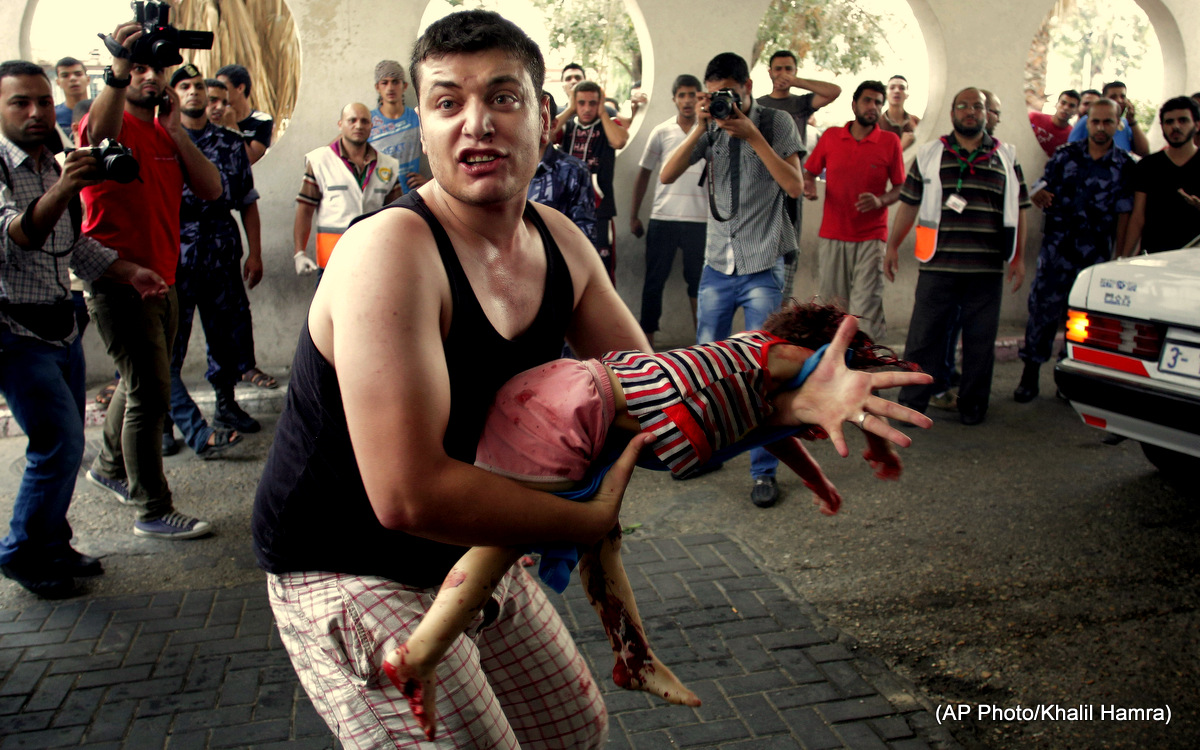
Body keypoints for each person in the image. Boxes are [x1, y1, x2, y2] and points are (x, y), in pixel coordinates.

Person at [252, 10, 930, 747]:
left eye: (502, 98)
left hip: (474, 542)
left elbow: (653, 397)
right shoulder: (390, 250)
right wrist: (587, 521)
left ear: (542, 118)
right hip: (348, 563)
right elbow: (408, 494)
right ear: (423, 125)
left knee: (572, 730)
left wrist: (791, 402)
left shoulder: (560, 240)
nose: (475, 123)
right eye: (448, 102)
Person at [381, 301, 929, 740]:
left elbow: (778, 431)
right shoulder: (779, 357)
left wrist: (820, 481)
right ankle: (419, 655)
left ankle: (633, 658)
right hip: (564, 409)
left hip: (565, 398)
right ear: (816, 350)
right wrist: (853, 401)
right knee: (508, 538)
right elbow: (827, 383)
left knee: (603, 539)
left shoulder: (773, 385)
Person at [0, 59, 169, 597]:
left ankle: (53, 543)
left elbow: (71, 245)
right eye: (19, 103)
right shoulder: (8, 169)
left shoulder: (52, 163)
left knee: (66, 447)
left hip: (59, 326)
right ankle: (23, 553)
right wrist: (67, 185)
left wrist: (128, 270)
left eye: (42, 102)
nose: (35, 112)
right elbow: (17, 237)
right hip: (13, 331)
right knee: (58, 444)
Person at [80, 19, 221, 539]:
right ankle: (152, 509)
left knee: (139, 383)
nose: (148, 77)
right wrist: (117, 68)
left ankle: (110, 468)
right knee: (150, 395)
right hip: (120, 281)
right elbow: (96, 136)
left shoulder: (164, 131)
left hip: (164, 278)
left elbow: (210, 189)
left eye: (154, 69)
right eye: (137, 68)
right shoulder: (111, 125)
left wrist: (178, 131)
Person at [659, 51, 804, 509]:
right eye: (716, 93)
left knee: (762, 372)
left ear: (747, 86)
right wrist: (703, 127)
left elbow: (796, 186)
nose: (725, 101)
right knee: (705, 371)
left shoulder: (777, 123)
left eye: (731, 92)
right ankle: (709, 451)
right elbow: (667, 174)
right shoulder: (711, 127)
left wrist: (753, 135)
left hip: (763, 263)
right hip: (717, 266)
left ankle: (763, 471)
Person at [884, 87, 1031, 426]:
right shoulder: (931, 153)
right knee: (922, 340)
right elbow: (909, 204)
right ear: (952, 113)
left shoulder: (1007, 157)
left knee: (980, 343)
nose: (969, 112)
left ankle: (973, 406)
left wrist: (1019, 258)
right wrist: (892, 247)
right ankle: (911, 403)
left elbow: (1021, 210)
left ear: (986, 113)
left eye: (976, 106)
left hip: (987, 269)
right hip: (937, 266)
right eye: (962, 106)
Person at [160, 64, 265, 458]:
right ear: (173, 96)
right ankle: (163, 421)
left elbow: (247, 203)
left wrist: (255, 252)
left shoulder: (230, 143)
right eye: (183, 86)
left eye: (198, 85)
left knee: (223, 335)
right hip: (175, 253)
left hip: (221, 250)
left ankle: (226, 406)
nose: (193, 92)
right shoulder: (161, 140)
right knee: (171, 342)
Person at [1014, 97, 1134, 402]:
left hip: (1093, 257)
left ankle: (1068, 381)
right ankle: (1029, 377)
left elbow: (1124, 214)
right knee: (1042, 313)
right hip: (1057, 252)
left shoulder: (1123, 165)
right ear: (1087, 122)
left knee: (1081, 320)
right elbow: (1039, 185)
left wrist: (1119, 257)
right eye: (1095, 121)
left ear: (1117, 124)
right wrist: (1040, 193)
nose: (1101, 127)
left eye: (1108, 122)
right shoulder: (1065, 155)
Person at [802, 81, 905, 340]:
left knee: (865, 307)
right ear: (854, 104)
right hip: (833, 235)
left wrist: (880, 201)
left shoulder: (890, 141)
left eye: (878, 102)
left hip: (871, 237)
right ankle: (831, 367)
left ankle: (865, 369)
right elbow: (809, 172)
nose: (873, 107)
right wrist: (810, 186)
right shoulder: (831, 137)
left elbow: (901, 188)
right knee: (832, 309)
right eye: (868, 101)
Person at [629, 74, 707, 346]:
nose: (687, 101)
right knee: (654, 282)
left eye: (693, 95)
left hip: (701, 221)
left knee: (699, 285)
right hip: (663, 218)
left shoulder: (710, 131)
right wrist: (633, 215)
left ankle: (703, 343)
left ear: (701, 97)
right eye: (682, 95)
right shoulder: (661, 131)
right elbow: (644, 175)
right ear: (674, 99)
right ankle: (647, 345)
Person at [756, 50, 841, 296]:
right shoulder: (759, 105)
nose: (783, 74)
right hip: (761, 188)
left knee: (789, 253)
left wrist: (797, 82)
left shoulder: (801, 104)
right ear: (769, 72)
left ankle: (782, 307)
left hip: (792, 188)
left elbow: (833, 92)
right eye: (778, 68)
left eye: (789, 69)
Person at [292, 102, 402, 277]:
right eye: (352, 120)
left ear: (371, 126)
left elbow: (397, 215)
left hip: (374, 262)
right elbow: (305, 210)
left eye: (364, 121)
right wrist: (299, 253)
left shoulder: (388, 165)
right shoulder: (320, 161)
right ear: (340, 124)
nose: (358, 125)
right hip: (332, 265)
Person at [554, 80, 629, 278]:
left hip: (599, 210)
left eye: (593, 103)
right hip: (566, 209)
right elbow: (544, 136)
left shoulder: (609, 124)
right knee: (566, 268)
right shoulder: (568, 126)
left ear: (600, 103)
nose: (587, 108)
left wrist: (604, 113)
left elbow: (619, 140)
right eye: (581, 103)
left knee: (602, 270)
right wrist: (569, 110)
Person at [1118, 96, 1200, 257]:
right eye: (1169, 122)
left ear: (1197, 125)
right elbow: (1138, 217)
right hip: (1154, 257)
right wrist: (1124, 258)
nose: (1175, 126)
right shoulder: (1148, 166)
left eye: (1183, 120)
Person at [528, 90, 596, 243]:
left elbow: (584, 233)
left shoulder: (573, 170)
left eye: (535, 118)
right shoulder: (504, 168)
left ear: (552, 125)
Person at [368, 59, 427, 195]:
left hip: (410, 197)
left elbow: (443, 148)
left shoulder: (417, 117)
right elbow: (340, 148)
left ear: (404, 86)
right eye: (385, 82)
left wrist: (430, 181)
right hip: (378, 198)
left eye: (395, 82)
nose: (390, 87)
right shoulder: (367, 121)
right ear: (377, 87)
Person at [1068, 81, 1149, 157]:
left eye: (1122, 96)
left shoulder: (1126, 124)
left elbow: (1144, 152)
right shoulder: (1088, 120)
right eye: (1113, 97)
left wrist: (1132, 122)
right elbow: (1070, 153)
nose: (1119, 100)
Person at [215, 63, 273, 164]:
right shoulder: (215, 117)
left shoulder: (261, 120)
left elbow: (251, 159)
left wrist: (232, 126)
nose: (219, 92)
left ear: (240, 88)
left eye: (223, 87)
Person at [1029, 89, 1081, 157]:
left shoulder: (1072, 136)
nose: (1065, 108)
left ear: (1076, 111)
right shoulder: (1034, 117)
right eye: (1063, 103)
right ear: (1057, 104)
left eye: (1071, 106)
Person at [878, 75, 921, 151]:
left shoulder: (916, 122)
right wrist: (901, 146)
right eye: (892, 88)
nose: (897, 91)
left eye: (902, 88)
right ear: (886, 94)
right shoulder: (876, 124)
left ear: (907, 94)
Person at [53, 57, 89, 135]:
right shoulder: (52, 116)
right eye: (65, 75)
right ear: (58, 82)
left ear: (88, 79)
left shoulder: (101, 111)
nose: (73, 78)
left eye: (78, 74)